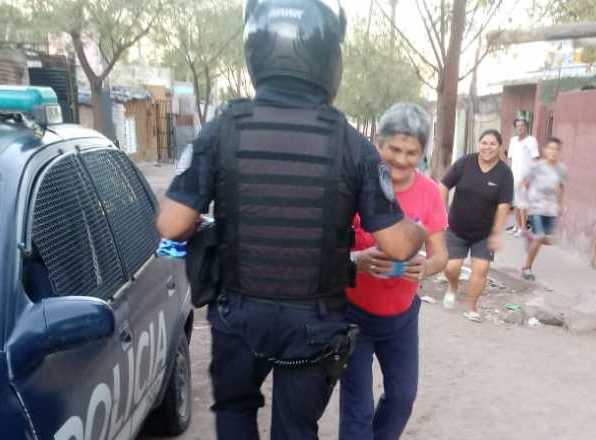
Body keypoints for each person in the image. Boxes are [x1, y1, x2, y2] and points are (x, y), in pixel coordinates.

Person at [155, 1, 426, 438]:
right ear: (329, 59)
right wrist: (417, 229)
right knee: (296, 429)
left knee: (236, 418)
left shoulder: (222, 129)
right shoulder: (352, 144)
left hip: (238, 315)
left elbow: (171, 224)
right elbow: (397, 244)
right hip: (314, 322)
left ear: (256, 51)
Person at [341, 103, 448, 440]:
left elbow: (441, 255)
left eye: (412, 152)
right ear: (378, 142)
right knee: (356, 410)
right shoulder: (353, 186)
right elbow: (325, 250)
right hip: (352, 317)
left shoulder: (429, 192)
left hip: (401, 318)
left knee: (402, 399)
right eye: (394, 149)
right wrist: (358, 258)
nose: (401, 160)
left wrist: (424, 267)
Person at [440, 130, 514, 322]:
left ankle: (472, 307)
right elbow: (444, 185)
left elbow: (504, 205)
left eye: (492, 144)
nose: (487, 147)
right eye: (484, 143)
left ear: (499, 147)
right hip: (457, 227)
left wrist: (497, 233)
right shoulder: (465, 163)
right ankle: (453, 286)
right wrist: (442, 213)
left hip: (484, 233)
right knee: (451, 268)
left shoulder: (504, 173)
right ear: (478, 144)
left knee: (481, 270)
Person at [520, 138, 568, 281]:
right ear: (545, 150)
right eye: (550, 148)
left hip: (551, 208)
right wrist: (529, 200)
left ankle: (530, 236)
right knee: (539, 237)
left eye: (556, 149)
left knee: (548, 240)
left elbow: (560, 187)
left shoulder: (561, 169)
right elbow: (526, 183)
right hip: (536, 207)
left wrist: (559, 205)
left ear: (559, 152)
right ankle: (527, 268)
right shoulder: (536, 167)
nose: (553, 152)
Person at [506, 118, 539, 237]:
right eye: (518, 126)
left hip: (525, 178)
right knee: (515, 203)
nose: (520, 128)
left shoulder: (531, 140)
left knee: (523, 204)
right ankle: (518, 226)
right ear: (515, 128)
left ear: (526, 127)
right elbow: (510, 159)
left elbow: (535, 160)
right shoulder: (513, 140)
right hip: (514, 177)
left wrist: (529, 178)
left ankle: (524, 228)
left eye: (522, 126)